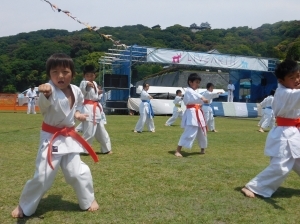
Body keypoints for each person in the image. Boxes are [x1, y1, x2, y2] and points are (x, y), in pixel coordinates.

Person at [11, 53, 100, 218]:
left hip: (70, 137)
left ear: (72, 74)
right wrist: (45, 93)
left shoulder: (76, 90)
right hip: (51, 137)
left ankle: (88, 199)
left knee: (76, 172)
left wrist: (78, 114)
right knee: (44, 175)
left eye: (65, 72)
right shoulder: (48, 89)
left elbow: (78, 106)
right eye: (55, 72)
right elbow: (44, 107)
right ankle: (24, 205)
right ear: (49, 75)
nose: (60, 76)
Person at [241, 59, 300, 198]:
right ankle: (253, 187)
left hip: (294, 132)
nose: (297, 80)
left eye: (298, 75)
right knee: (280, 167)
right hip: (283, 134)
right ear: (281, 80)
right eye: (292, 78)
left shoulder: (292, 91)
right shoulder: (284, 93)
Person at [79, 65, 112, 154]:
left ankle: (106, 149)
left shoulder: (95, 83)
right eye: (87, 76)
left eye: (91, 75)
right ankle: (84, 149)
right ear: (84, 76)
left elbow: (94, 95)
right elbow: (82, 88)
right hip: (88, 109)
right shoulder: (83, 82)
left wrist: (97, 91)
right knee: (89, 131)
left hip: (96, 109)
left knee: (101, 130)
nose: (89, 77)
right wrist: (87, 84)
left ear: (94, 75)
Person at [175, 73, 209, 157]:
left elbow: (200, 99)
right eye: (196, 82)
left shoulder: (195, 92)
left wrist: (203, 100)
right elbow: (198, 96)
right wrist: (202, 98)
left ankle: (202, 148)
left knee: (202, 131)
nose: (198, 84)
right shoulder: (188, 91)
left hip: (198, 111)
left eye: (199, 82)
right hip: (191, 112)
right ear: (190, 82)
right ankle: (178, 150)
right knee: (190, 131)